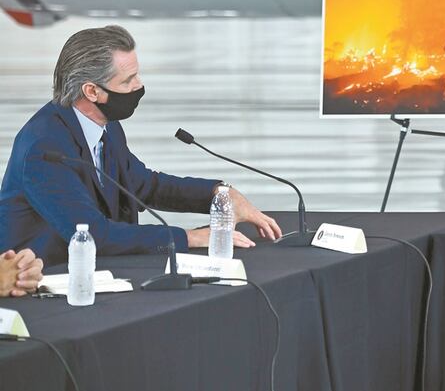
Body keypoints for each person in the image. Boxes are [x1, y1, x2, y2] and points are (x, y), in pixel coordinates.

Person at [0, 25, 281, 265]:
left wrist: (219, 195)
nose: (139, 85)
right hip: (42, 282)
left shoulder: (106, 126)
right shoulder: (45, 147)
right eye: (128, 80)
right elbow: (92, 234)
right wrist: (190, 237)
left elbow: (144, 186)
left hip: (96, 270)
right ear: (92, 91)